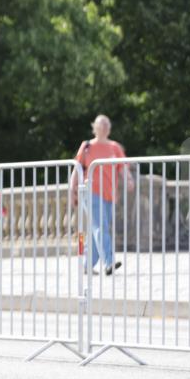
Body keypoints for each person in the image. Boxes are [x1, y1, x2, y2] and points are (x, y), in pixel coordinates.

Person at [70, 114, 134, 275]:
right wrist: (72, 190)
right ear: (94, 128)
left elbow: (123, 167)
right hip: (90, 192)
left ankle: (86, 265)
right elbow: (76, 169)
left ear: (110, 128)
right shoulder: (87, 146)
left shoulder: (115, 147)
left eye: (106, 125)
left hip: (110, 195)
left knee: (95, 230)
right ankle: (109, 262)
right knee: (101, 226)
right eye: (101, 125)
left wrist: (129, 180)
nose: (104, 127)